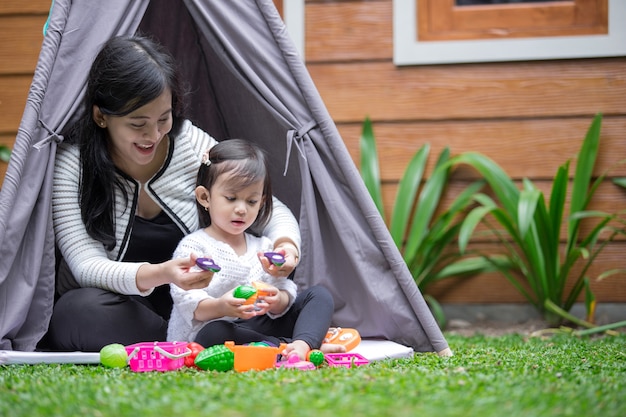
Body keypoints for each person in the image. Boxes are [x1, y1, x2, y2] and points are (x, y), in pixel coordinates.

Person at [43, 35, 302, 352]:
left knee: (294, 298)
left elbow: (267, 208)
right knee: (77, 312)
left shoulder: (190, 143)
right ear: (101, 116)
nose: (152, 135)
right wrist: (162, 274)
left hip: (204, 308)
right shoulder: (74, 164)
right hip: (131, 315)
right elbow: (85, 267)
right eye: (138, 123)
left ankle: (207, 338)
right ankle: (198, 342)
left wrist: (287, 247)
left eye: (163, 119)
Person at [168, 139, 341, 360]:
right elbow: (190, 303)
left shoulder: (264, 247)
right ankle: (293, 347)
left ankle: (300, 344)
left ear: (261, 203)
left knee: (319, 295)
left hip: (260, 325)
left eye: (251, 201)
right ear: (205, 197)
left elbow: (282, 289)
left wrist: (279, 300)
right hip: (216, 328)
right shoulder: (194, 247)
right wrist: (222, 306)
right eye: (231, 198)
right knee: (214, 333)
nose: (241, 209)